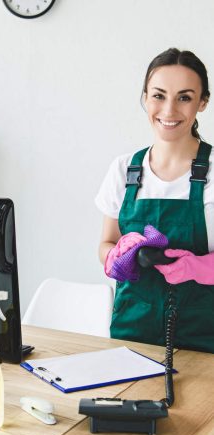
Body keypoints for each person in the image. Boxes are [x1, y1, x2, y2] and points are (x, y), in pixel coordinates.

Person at [95, 48, 214, 354]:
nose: (169, 109)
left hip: (205, 334)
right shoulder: (124, 169)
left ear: (203, 102)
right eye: (159, 95)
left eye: (184, 97)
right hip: (132, 330)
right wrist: (117, 256)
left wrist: (198, 268)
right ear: (145, 98)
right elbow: (106, 244)